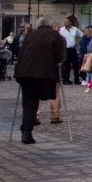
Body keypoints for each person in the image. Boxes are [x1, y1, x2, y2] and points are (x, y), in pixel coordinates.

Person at [15, 16, 65, 144]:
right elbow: (61, 57)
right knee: (34, 101)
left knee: (29, 102)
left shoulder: (30, 35)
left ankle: (26, 129)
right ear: (50, 25)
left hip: (25, 73)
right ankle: (27, 130)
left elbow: (20, 54)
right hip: (44, 74)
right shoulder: (55, 36)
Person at [59, 15, 82, 85]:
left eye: (67, 21)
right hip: (65, 49)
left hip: (73, 49)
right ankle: (66, 79)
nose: (65, 23)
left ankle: (76, 79)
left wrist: (77, 42)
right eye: (64, 21)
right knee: (66, 65)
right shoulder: (61, 30)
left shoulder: (75, 29)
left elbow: (81, 35)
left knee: (75, 65)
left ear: (70, 23)